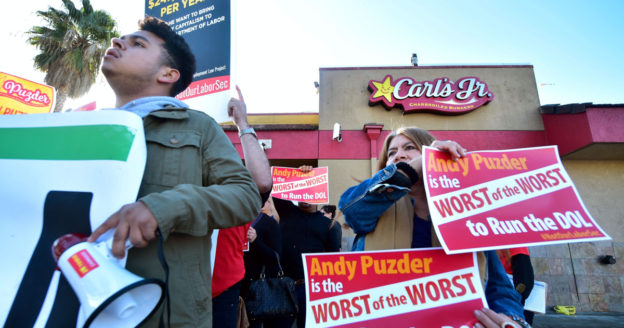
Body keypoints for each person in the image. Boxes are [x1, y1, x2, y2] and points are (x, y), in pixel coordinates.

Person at [87, 17, 261, 327]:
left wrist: (162, 209)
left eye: (138, 43)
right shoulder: (82, 127)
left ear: (169, 74)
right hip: (81, 305)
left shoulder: (198, 127)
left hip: (164, 315)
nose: (117, 43)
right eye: (122, 39)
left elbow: (247, 195)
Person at [338, 127, 530, 328]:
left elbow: (499, 288)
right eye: (391, 153)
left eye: (409, 147)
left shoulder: (467, 213)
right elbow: (351, 210)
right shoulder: (375, 207)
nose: (399, 155)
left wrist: (511, 319)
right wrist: (412, 168)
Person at [212, 86, 273, 328]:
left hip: (222, 292)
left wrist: (243, 124)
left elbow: (262, 181)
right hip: (179, 287)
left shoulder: (237, 197)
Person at [273, 171, 342, 328]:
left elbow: (333, 262)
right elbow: (272, 186)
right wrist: (300, 175)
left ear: (319, 193)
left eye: (310, 192)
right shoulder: (287, 212)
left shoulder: (329, 225)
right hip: (283, 285)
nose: (305, 197)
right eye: (302, 191)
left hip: (312, 289)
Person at [242, 198, 289, 328]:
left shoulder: (270, 224)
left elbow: (275, 258)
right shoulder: (236, 221)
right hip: (236, 286)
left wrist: (256, 241)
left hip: (257, 289)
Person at [498, 247, 535, 325]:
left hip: (514, 305)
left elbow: (524, 281)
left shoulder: (516, 248)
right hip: (505, 301)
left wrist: (514, 305)